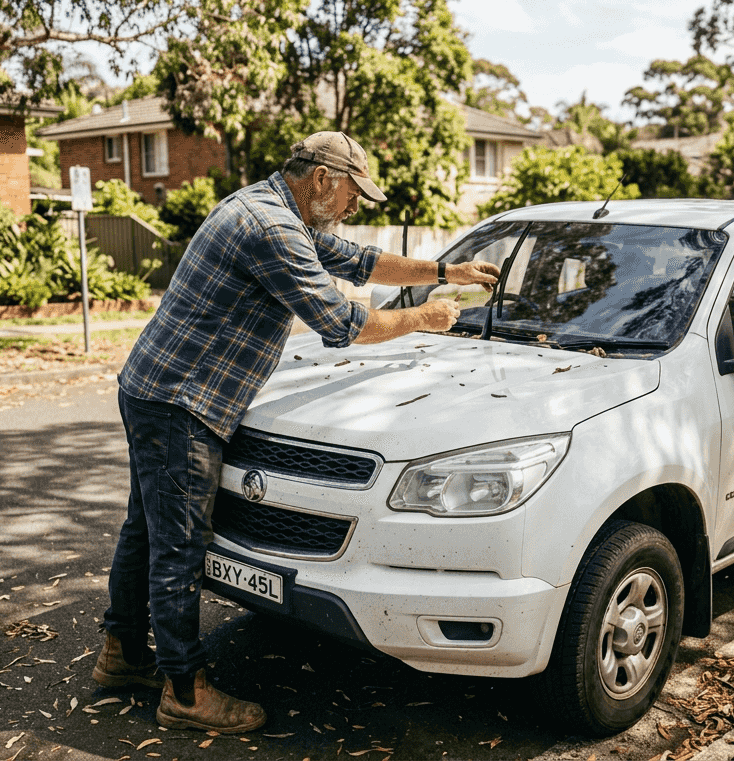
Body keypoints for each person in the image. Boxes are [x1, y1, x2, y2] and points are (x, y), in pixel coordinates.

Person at [93, 131, 499, 733]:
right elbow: (338, 322)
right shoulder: (271, 228)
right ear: (322, 180)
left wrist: (444, 267)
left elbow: (358, 261)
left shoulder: (273, 207)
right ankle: (185, 690)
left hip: (154, 386)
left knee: (146, 530)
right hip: (182, 400)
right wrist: (425, 317)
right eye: (352, 193)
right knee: (178, 546)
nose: (355, 206)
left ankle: (122, 654)